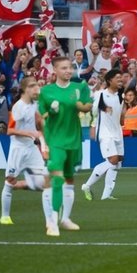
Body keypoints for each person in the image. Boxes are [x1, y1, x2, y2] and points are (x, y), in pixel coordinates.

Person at [38, 56, 92, 236]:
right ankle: (52, 221)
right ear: (55, 70)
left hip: (74, 140)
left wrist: (83, 99)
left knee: (69, 179)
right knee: (57, 179)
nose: (68, 71)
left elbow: (87, 107)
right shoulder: (46, 91)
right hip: (55, 142)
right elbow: (40, 119)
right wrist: (50, 113)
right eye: (63, 68)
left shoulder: (78, 88)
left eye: (70, 67)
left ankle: (65, 219)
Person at [0, 78, 54, 227]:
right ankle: (5, 216)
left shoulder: (34, 104)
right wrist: (31, 133)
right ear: (25, 90)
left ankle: (50, 222)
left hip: (31, 149)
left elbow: (38, 121)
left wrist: (45, 136)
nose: (36, 88)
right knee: (9, 182)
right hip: (18, 150)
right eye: (32, 86)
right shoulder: (18, 107)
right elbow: (10, 131)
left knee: (46, 182)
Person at [82, 69, 126, 201]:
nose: (120, 80)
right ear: (109, 80)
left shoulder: (120, 96)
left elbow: (120, 115)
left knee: (117, 163)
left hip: (117, 132)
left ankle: (106, 195)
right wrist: (93, 126)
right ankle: (86, 185)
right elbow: (93, 111)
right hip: (105, 133)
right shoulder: (100, 94)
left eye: (121, 78)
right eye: (117, 78)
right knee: (112, 160)